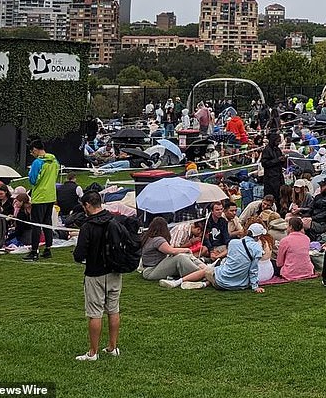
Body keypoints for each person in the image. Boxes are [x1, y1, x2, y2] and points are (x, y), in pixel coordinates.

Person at [73, 192, 133, 361]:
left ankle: (93, 352)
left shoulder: (87, 226)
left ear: (87, 205)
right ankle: (113, 347)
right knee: (113, 309)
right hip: (114, 271)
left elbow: (79, 254)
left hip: (94, 273)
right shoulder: (114, 220)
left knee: (95, 313)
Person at [160, 223, 268, 293]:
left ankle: (177, 282)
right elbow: (253, 270)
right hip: (240, 284)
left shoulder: (233, 243)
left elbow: (231, 261)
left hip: (223, 280)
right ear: (258, 236)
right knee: (212, 270)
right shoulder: (257, 249)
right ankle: (204, 283)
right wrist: (255, 287)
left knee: (206, 270)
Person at [24, 139, 59, 262]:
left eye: (32, 152)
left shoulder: (37, 162)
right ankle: (48, 249)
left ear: (34, 150)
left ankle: (34, 252)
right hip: (51, 195)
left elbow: (33, 180)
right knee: (47, 223)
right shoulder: (55, 161)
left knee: (36, 225)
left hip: (40, 197)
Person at [139, 217, 203, 281]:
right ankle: (201, 273)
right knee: (180, 258)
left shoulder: (148, 238)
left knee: (185, 256)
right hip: (151, 271)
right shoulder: (158, 240)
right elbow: (171, 250)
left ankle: (203, 269)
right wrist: (187, 249)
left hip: (151, 268)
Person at [259, 134, 286, 199]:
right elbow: (264, 163)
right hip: (270, 177)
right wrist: (277, 160)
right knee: (272, 194)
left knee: (280, 193)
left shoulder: (277, 149)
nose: (278, 143)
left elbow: (281, 162)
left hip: (278, 175)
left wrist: (283, 160)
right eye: (277, 141)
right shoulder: (267, 150)